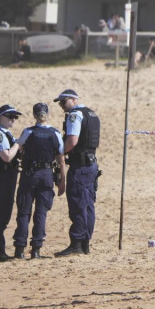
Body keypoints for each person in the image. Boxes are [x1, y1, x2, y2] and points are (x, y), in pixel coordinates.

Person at [12, 103, 66, 259]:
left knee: (24, 212)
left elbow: (19, 149)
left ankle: (20, 249)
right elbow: (61, 160)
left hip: (29, 175)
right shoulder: (55, 133)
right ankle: (36, 250)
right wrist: (63, 181)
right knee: (41, 212)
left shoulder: (28, 132)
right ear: (47, 114)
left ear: (34, 115)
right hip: (46, 175)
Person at [53, 89, 101, 257]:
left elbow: (72, 140)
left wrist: (59, 153)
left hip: (80, 167)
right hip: (91, 165)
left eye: (63, 102)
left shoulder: (75, 115)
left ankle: (77, 244)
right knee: (88, 205)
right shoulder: (92, 114)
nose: (61, 106)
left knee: (78, 204)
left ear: (74, 99)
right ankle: (85, 243)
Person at [0, 104, 22, 262]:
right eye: (10, 116)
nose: (13, 120)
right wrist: (18, 144)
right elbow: (6, 157)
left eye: (15, 117)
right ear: (0, 116)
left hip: (9, 177)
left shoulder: (6, 134)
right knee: (1, 213)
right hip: (3, 177)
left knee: (5, 212)